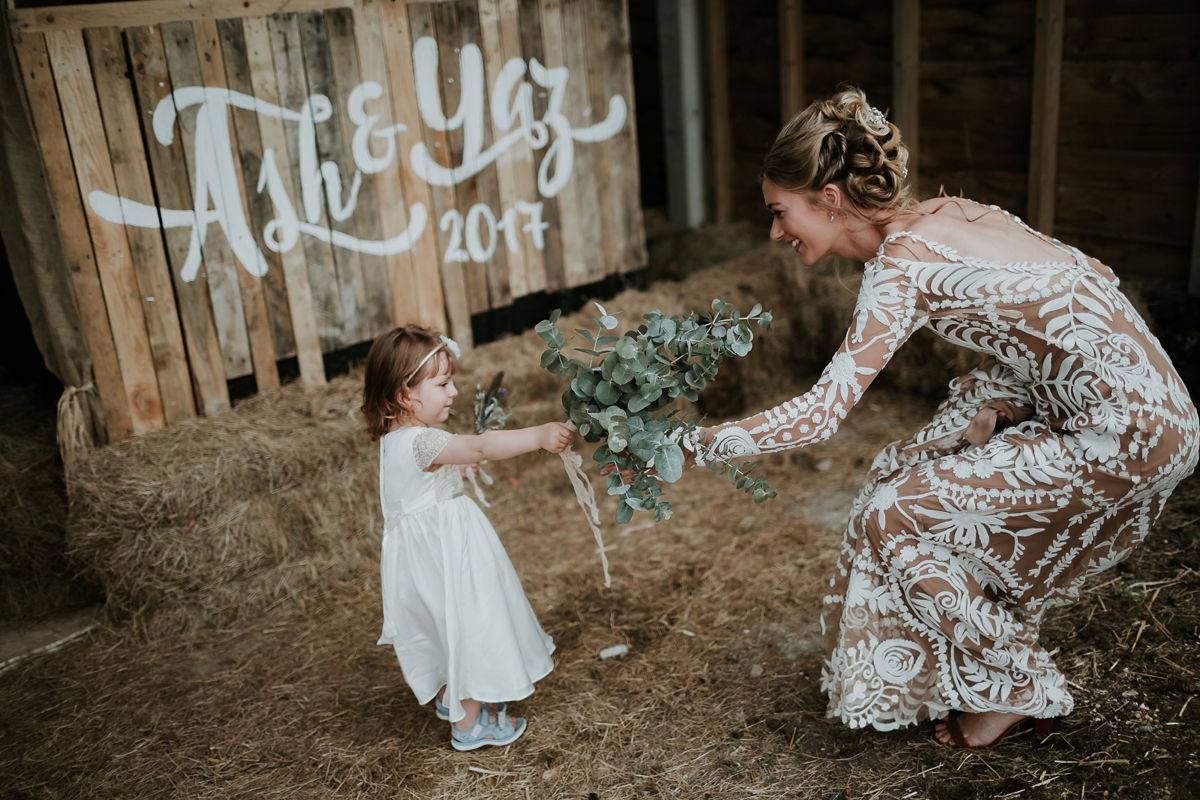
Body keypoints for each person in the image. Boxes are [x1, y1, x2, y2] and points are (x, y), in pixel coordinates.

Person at [689, 87, 1199, 748]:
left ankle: (1015, 684)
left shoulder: (903, 262)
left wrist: (692, 443)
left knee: (892, 512)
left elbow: (821, 416)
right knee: (921, 468)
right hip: (1162, 411)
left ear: (830, 200)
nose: (775, 232)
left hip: (1127, 434)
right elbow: (1071, 302)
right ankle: (986, 674)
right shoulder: (953, 212)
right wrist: (1020, 399)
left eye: (781, 213)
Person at [361, 325, 575, 751]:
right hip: (448, 553)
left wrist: (451, 469)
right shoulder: (423, 441)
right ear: (405, 395)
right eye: (442, 384)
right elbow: (478, 447)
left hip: (422, 557)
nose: (454, 391)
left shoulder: (397, 439)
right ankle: (470, 724)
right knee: (469, 622)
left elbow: (427, 479)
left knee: (443, 626)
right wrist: (538, 436)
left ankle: (450, 696)